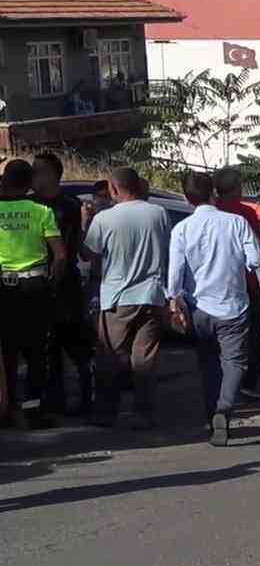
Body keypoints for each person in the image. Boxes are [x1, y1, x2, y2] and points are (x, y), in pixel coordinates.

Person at [167, 171, 260, 446]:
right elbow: (255, 258)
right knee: (234, 362)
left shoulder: (181, 229)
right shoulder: (237, 222)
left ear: (186, 198)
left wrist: (174, 299)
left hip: (199, 307)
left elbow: (174, 274)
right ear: (213, 193)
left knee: (208, 364)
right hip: (233, 304)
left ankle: (212, 416)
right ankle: (224, 408)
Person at [80, 167, 171, 431]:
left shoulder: (105, 219)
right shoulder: (158, 213)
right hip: (152, 294)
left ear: (114, 189)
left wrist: (86, 222)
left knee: (109, 356)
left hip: (117, 297)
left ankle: (106, 412)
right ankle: (144, 412)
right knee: (144, 357)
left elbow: (88, 254)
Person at [0, 159, 68, 426]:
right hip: (34, 287)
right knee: (36, 351)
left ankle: (6, 407)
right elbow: (60, 256)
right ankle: (32, 410)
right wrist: (52, 283)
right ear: (29, 183)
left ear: (5, 179)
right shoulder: (42, 211)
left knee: (6, 350)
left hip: (3, 290)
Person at [31, 152, 95, 415]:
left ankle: (87, 398)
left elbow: (80, 250)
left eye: (38, 171)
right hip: (36, 282)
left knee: (76, 344)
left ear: (53, 174)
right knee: (48, 348)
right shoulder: (27, 205)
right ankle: (54, 400)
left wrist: (85, 224)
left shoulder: (69, 206)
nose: (33, 177)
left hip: (65, 284)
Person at [212, 167, 260, 400]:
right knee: (252, 337)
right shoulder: (245, 213)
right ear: (237, 188)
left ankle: (220, 383)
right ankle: (248, 382)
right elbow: (257, 250)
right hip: (246, 283)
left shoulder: (211, 212)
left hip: (214, 285)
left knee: (216, 341)